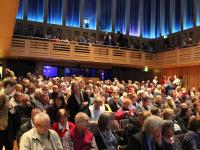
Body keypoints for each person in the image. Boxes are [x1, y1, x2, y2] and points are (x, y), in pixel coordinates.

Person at [0, 78, 17, 150]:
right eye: (14, 87)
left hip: (4, 126)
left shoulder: (5, 95)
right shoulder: (2, 95)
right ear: (8, 86)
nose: (14, 90)